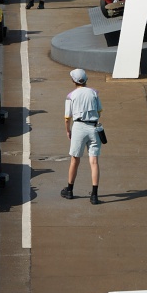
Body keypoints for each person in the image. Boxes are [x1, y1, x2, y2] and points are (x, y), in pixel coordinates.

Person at [62, 68, 104, 204]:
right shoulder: (94, 93)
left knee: (75, 160)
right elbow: (99, 111)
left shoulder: (71, 96)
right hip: (93, 127)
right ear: (86, 79)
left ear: (73, 81)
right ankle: (94, 195)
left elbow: (67, 117)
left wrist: (68, 130)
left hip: (79, 127)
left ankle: (69, 190)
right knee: (94, 162)